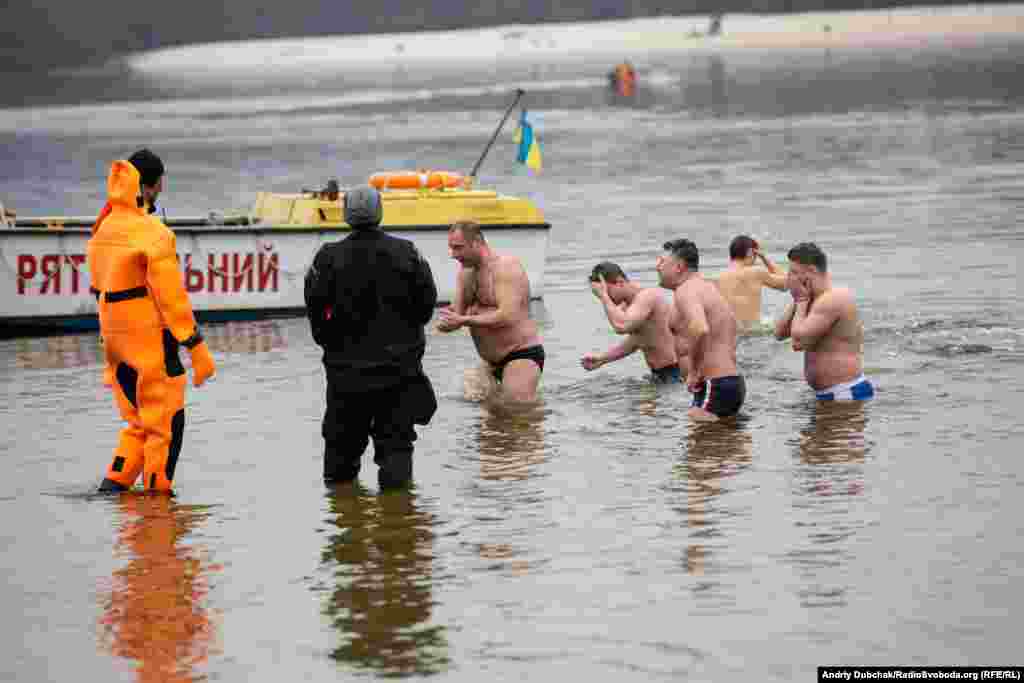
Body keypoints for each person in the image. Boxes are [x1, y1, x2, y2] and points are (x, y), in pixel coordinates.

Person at [87, 149, 217, 493]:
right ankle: (159, 508)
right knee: (166, 424)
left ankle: (113, 488)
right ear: (146, 186)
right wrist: (196, 347)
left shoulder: (102, 229)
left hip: (116, 346)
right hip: (152, 345)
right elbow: (172, 299)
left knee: (137, 424)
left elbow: (96, 290)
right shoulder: (154, 233)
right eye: (159, 185)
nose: (161, 192)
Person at [304, 186, 438, 489]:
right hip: (399, 373)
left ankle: (346, 523)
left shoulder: (327, 258)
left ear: (346, 214)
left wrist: (333, 345)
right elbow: (426, 305)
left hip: (345, 376)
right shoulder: (408, 253)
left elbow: (314, 310)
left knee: (340, 460)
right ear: (380, 212)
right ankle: (396, 527)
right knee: (396, 453)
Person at [437, 220, 544, 403]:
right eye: (451, 248)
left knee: (516, 415)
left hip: (520, 355)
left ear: (477, 242)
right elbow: (456, 315)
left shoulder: (506, 267)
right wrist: (444, 323)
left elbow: (507, 316)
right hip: (490, 362)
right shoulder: (465, 273)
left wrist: (464, 320)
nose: (453, 255)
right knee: (487, 425)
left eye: (458, 248)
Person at [657, 238, 744, 421]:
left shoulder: (686, 291)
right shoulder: (705, 287)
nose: (657, 267)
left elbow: (700, 329)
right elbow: (733, 325)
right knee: (721, 446)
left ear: (679, 267)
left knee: (700, 446)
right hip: (726, 381)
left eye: (662, 262)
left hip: (714, 383)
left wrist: (694, 372)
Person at [774, 242, 874, 401]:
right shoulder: (810, 299)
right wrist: (797, 299)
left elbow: (799, 341)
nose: (788, 278)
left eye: (793, 272)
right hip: (830, 393)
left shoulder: (833, 299)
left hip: (845, 392)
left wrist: (800, 301)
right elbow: (779, 333)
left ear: (812, 271)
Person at [581, 261, 681, 383]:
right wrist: (602, 359)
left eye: (606, 291)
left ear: (620, 282)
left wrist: (604, 297)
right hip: (660, 375)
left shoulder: (647, 297)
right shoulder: (628, 306)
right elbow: (637, 340)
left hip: (676, 373)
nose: (605, 297)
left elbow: (621, 326)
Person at [715, 235, 788, 331]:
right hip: (751, 333)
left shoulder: (720, 277)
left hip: (727, 332)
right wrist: (764, 258)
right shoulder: (756, 272)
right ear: (750, 252)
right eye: (756, 255)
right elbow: (786, 284)